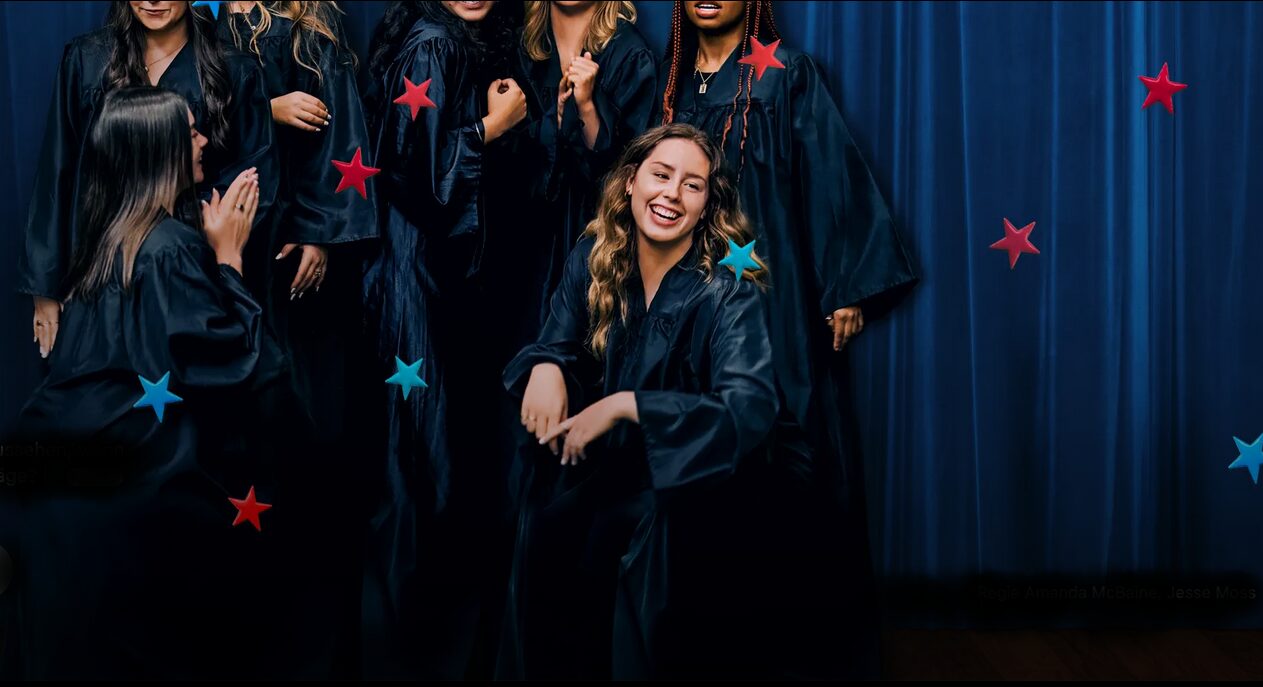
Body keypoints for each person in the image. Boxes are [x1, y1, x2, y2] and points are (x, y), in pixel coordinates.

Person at [657, 1, 919, 679]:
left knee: (785, 465)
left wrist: (847, 284)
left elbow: (830, 170)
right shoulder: (670, 87)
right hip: (689, 319)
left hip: (776, 309)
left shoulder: (785, 75)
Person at [1, 87, 298, 679]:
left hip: (57, 498)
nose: (204, 141)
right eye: (190, 132)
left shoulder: (103, 245)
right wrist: (229, 259)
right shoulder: (170, 251)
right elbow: (240, 366)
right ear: (157, 149)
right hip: (129, 509)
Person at [498, 123, 800, 679]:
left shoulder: (726, 289)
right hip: (613, 469)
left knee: (631, 547)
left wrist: (626, 405)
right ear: (630, 181)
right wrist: (545, 365)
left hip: (697, 482)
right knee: (545, 525)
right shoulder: (596, 255)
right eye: (661, 175)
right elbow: (557, 338)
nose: (671, 194)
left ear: (708, 206)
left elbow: (749, 407)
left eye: (693, 185)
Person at [359, 0, 526, 679]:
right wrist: (491, 127)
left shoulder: (461, 41)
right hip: (412, 281)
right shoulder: (434, 43)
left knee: (429, 462)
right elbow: (420, 179)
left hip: (429, 279)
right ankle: (406, 653)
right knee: (419, 468)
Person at [19, 0, 279, 360]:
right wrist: (45, 285)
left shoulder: (234, 70)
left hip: (191, 276)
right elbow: (57, 170)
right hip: (98, 272)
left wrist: (193, 246)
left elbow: (250, 182)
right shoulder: (87, 61)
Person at [497, 0, 656, 342]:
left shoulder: (629, 54)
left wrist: (586, 107)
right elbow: (502, 165)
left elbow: (627, 173)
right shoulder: (521, 47)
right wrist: (554, 120)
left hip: (596, 251)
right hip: (523, 253)